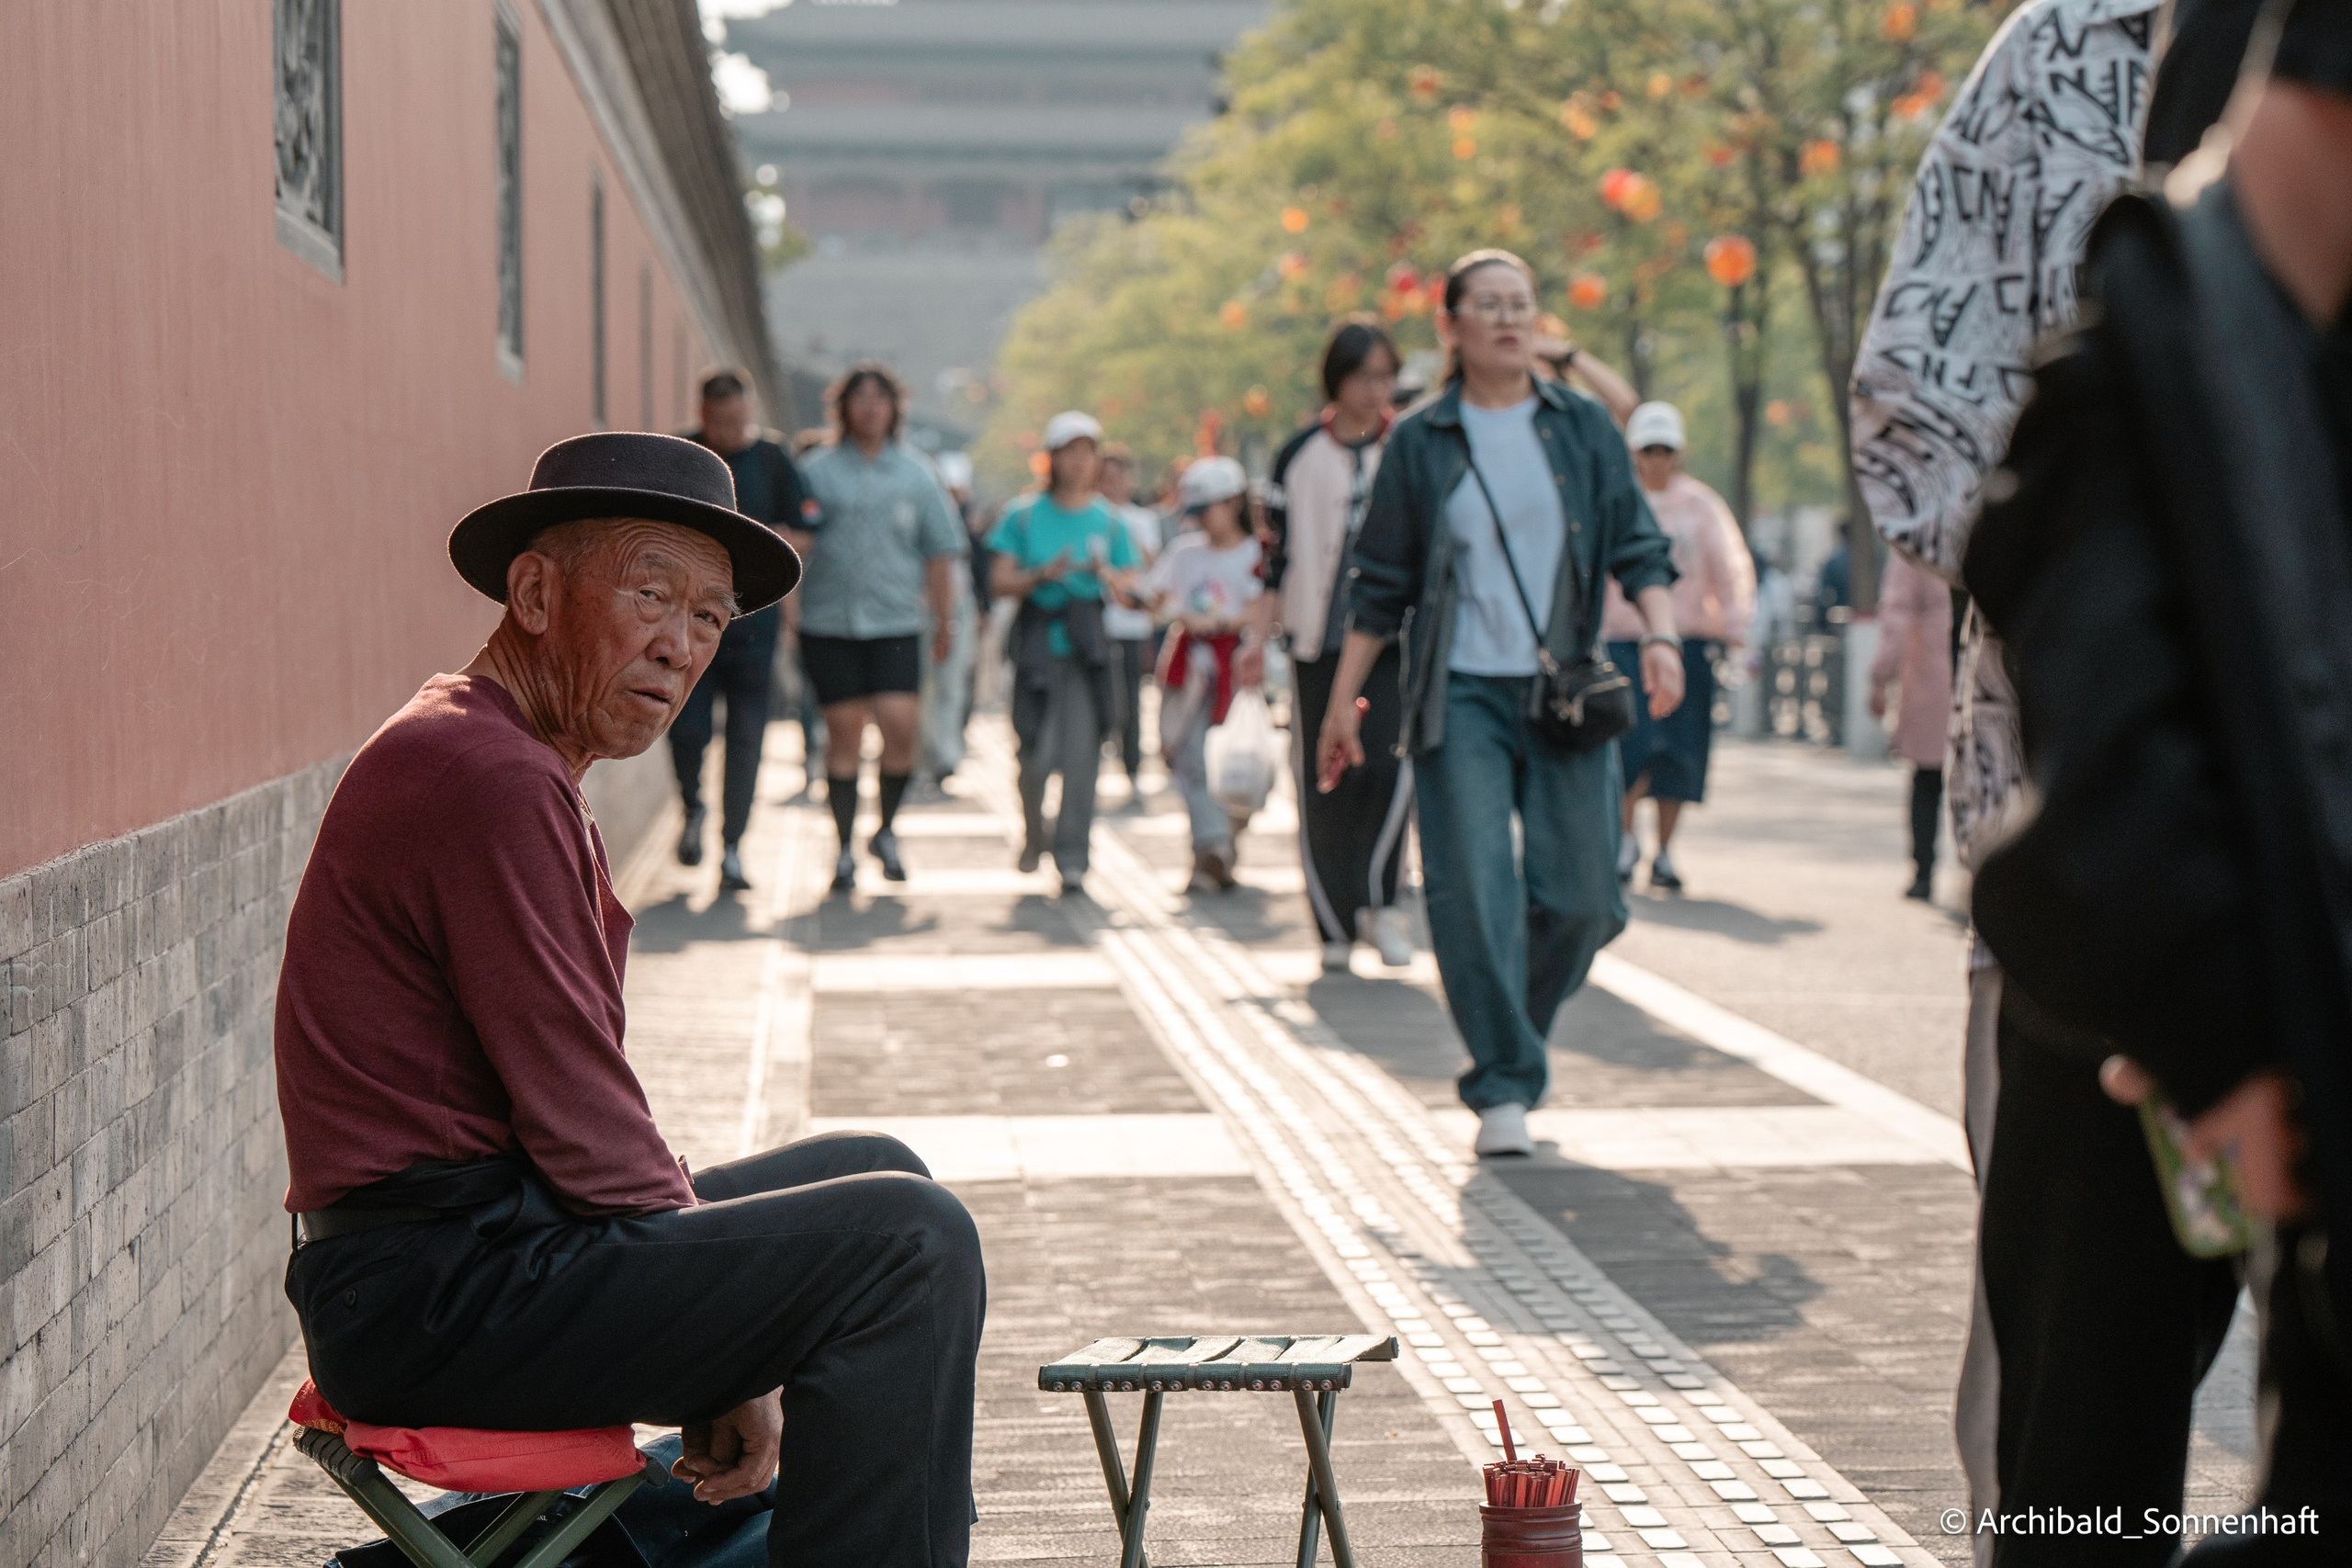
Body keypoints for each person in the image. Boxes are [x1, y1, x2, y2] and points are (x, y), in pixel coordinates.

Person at [275, 432, 985, 1566]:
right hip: (432, 1295)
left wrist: (724, 1312)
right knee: (910, 1244)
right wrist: (735, 1353)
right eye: (651, 596)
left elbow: (583, 1134)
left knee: (880, 1169)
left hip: (487, 1251)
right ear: (535, 595)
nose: (680, 646)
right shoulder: (484, 775)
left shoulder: (503, 753)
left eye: (708, 617)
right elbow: (584, 1117)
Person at [1849, 2, 2250, 1560]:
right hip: (2089, 834)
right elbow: (1912, 397)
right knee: (2077, 1415)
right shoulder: (2067, 47)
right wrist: (2105, 630)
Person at [1963, 7, 2352, 1551]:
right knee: (2086, 1455)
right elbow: (1939, 405)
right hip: (2146, 832)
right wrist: (2220, 1030)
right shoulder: (2062, 61)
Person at [1317, 249, 1682, 1160]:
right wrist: (1341, 701)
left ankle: (1511, 1027)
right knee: (1472, 888)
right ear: (1451, 326)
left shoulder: (1580, 426)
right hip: (1459, 693)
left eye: (1521, 303)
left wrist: (1664, 636)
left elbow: (1637, 543)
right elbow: (1379, 582)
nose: (1510, 318)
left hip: (1565, 688)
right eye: (1488, 304)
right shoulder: (1422, 440)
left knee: (1588, 898)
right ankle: (1505, 1080)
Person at [1261, 316, 1415, 968]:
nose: (1376, 390)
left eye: (1385, 377)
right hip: (1317, 642)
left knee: (1388, 766)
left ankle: (1382, 903)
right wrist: (1256, 639)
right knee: (1324, 777)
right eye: (1363, 377)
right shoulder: (1298, 455)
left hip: (1395, 642)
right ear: (1337, 380)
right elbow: (1273, 559)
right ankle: (1333, 925)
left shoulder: (1409, 446)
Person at [792, 364, 967, 894]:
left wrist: (945, 621)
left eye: (879, 399)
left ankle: (886, 829)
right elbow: (795, 542)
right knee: (844, 734)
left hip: (896, 622)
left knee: (901, 726)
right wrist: (789, 612)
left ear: (894, 409)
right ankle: (844, 848)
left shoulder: (916, 473)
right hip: (830, 622)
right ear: (843, 408)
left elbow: (941, 551)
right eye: (860, 398)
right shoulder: (816, 471)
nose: (870, 407)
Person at [1600, 401, 1756, 895]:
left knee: (1679, 752)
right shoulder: (1617, 498)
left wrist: (1737, 623)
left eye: (1665, 450)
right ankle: (1625, 841)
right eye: (1648, 450)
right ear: (1633, 452)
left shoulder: (1700, 506)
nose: (1657, 459)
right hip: (1624, 641)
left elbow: (1730, 565)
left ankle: (1665, 850)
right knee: (1630, 747)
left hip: (1687, 642)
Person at [668, 368, 808, 892]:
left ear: (749, 410)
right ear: (702, 414)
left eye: (735, 418)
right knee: (685, 726)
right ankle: (692, 807)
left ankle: (732, 847)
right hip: (686, 623)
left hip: (754, 625)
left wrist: (768, 547)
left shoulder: (772, 458)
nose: (727, 429)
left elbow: (805, 530)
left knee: (748, 737)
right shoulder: (684, 454)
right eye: (717, 420)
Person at [988, 411, 1139, 896]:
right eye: (1069, 452)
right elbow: (999, 579)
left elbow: (1130, 583)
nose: (1079, 461)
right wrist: (1040, 576)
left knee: (1082, 758)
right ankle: (1035, 834)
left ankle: (1073, 856)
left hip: (1087, 652)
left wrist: (1108, 577)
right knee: (1034, 754)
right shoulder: (1023, 514)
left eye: (1087, 452)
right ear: (1051, 458)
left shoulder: (1109, 520)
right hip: (1038, 648)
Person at [1147, 456, 1265, 893]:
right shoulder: (1184, 552)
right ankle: (1211, 847)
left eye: (1207, 510)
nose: (1201, 521)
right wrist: (1139, 597)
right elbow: (1156, 597)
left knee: (1241, 763)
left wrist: (1222, 623)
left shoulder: (1257, 553)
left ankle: (1221, 846)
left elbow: (1264, 608)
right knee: (1190, 757)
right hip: (1190, 671)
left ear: (1233, 502)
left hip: (1241, 668)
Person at [1868, 549, 1954, 901]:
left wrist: (1880, 677)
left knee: (1927, 780)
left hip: (1932, 673)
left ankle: (1923, 873)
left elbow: (1897, 614)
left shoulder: (1916, 541)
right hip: (1986, 668)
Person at [1098, 443, 1164, 799]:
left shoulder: (1142, 520)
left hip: (1132, 623)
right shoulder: (1091, 516)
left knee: (1131, 700)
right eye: (1105, 477)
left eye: (1117, 477)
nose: (1111, 484)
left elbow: (1150, 563)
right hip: (1098, 622)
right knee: (1100, 697)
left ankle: (1133, 767)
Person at [914, 451, 981, 799]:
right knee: (923, 688)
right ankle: (924, 759)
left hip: (959, 608)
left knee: (952, 687)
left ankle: (946, 757)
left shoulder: (967, 521)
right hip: (921, 609)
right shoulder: (921, 511)